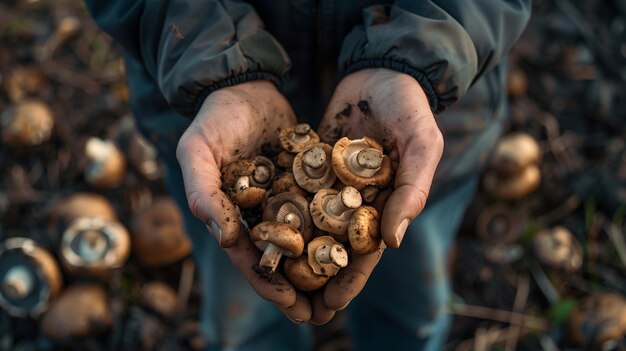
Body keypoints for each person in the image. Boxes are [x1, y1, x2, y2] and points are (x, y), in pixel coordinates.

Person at [85, 1, 531, 350]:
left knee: (410, 294)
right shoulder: (288, 196)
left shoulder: (359, 174)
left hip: (429, 109)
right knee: (241, 314)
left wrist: (415, 58)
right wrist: (214, 64)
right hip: (200, 92)